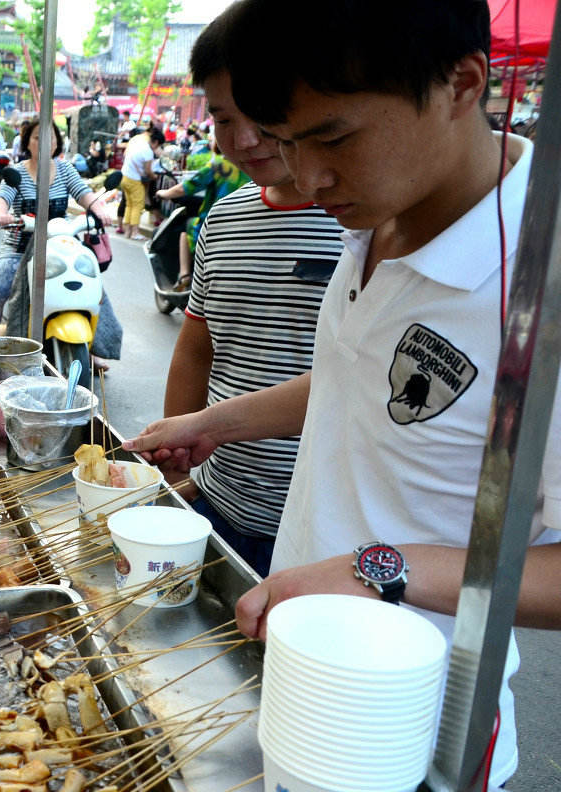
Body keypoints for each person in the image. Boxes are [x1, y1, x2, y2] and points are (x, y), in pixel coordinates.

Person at [127, 2, 561, 787]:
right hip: (295, 660)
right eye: (290, 143)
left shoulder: (540, 275)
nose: (308, 176)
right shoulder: (374, 214)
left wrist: (378, 568)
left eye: (333, 138)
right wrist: (218, 421)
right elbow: (360, 376)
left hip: (407, 722)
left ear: (463, 84)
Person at [155, 6, 345, 576]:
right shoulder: (224, 216)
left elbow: (355, 383)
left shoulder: (362, 224)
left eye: (262, 116)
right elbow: (196, 347)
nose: (244, 140)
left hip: (318, 530)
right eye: (221, 119)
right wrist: (177, 467)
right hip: (218, 498)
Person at [0, 117, 122, 365]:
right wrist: (2, 214)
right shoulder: (17, 172)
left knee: (95, 289)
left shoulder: (66, 170)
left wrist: (99, 208)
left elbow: (85, 195)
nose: (44, 142)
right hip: (19, 246)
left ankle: (91, 349)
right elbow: (1, 198)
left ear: (57, 142)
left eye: (51, 137)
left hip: (59, 245)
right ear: (28, 141)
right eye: (38, 136)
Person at [155, 141, 249, 291]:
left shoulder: (219, 165)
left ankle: (184, 275)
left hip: (215, 225)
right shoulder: (251, 168)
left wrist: (163, 193)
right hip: (243, 226)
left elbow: (187, 187)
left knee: (186, 228)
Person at [117, 125, 163, 238]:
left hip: (124, 177)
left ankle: (127, 231)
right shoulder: (148, 152)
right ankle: (134, 232)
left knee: (129, 205)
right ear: (156, 142)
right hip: (134, 180)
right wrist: (155, 177)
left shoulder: (139, 143)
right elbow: (148, 171)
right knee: (138, 205)